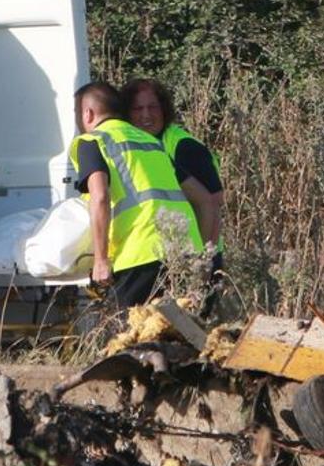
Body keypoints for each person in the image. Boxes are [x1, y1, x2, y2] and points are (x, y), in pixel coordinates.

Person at [68, 80, 205, 307]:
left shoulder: (92, 141)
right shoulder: (152, 142)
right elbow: (204, 198)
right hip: (185, 252)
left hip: (139, 254)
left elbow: (100, 197)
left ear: (88, 113)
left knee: (127, 335)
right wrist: (203, 251)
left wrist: (101, 261)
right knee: (183, 335)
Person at [121, 78, 223, 254]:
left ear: (164, 110)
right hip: (168, 253)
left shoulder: (184, 147)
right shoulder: (138, 146)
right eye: (138, 109)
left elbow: (213, 203)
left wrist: (205, 258)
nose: (146, 115)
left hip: (195, 257)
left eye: (153, 107)